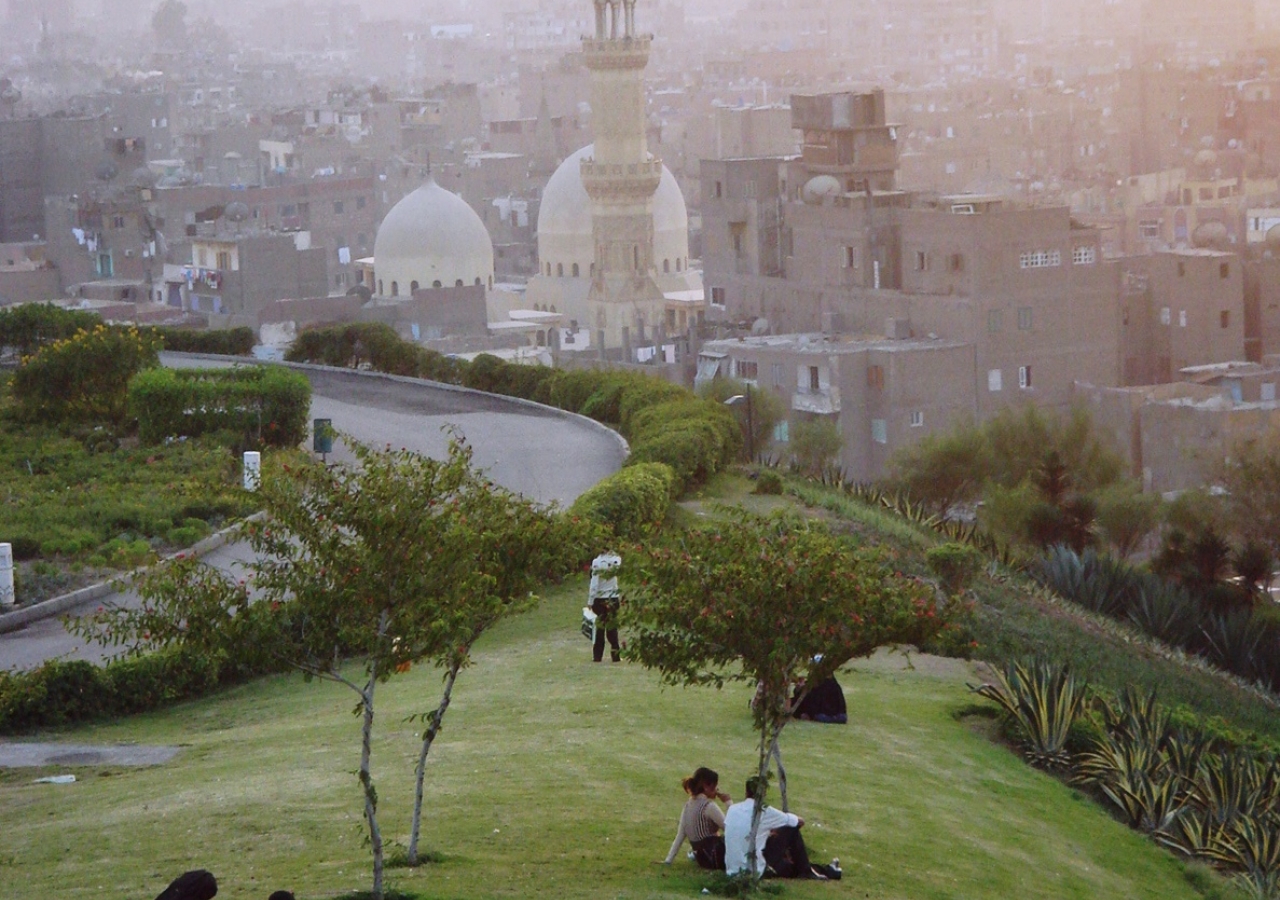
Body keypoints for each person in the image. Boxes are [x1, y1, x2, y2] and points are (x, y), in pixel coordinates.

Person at [724, 777, 841, 880]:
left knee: (786, 864)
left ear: (746, 792)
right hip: (755, 869)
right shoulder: (764, 811)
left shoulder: (732, 809)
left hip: (732, 869)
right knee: (792, 829)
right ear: (764, 793)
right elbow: (798, 821)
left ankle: (820, 869)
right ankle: (809, 870)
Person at [662, 766, 730, 869]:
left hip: (701, 858)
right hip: (714, 856)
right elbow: (731, 828)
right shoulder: (709, 806)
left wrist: (668, 859)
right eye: (715, 786)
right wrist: (729, 803)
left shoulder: (688, 805)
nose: (717, 790)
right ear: (707, 786)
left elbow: (681, 834)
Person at [588, 552, 622, 662]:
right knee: (612, 628)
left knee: (600, 628)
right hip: (613, 597)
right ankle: (615, 655)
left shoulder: (597, 562)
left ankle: (597, 656)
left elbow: (594, 583)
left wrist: (590, 600)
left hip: (600, 598)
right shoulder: (616, 559)